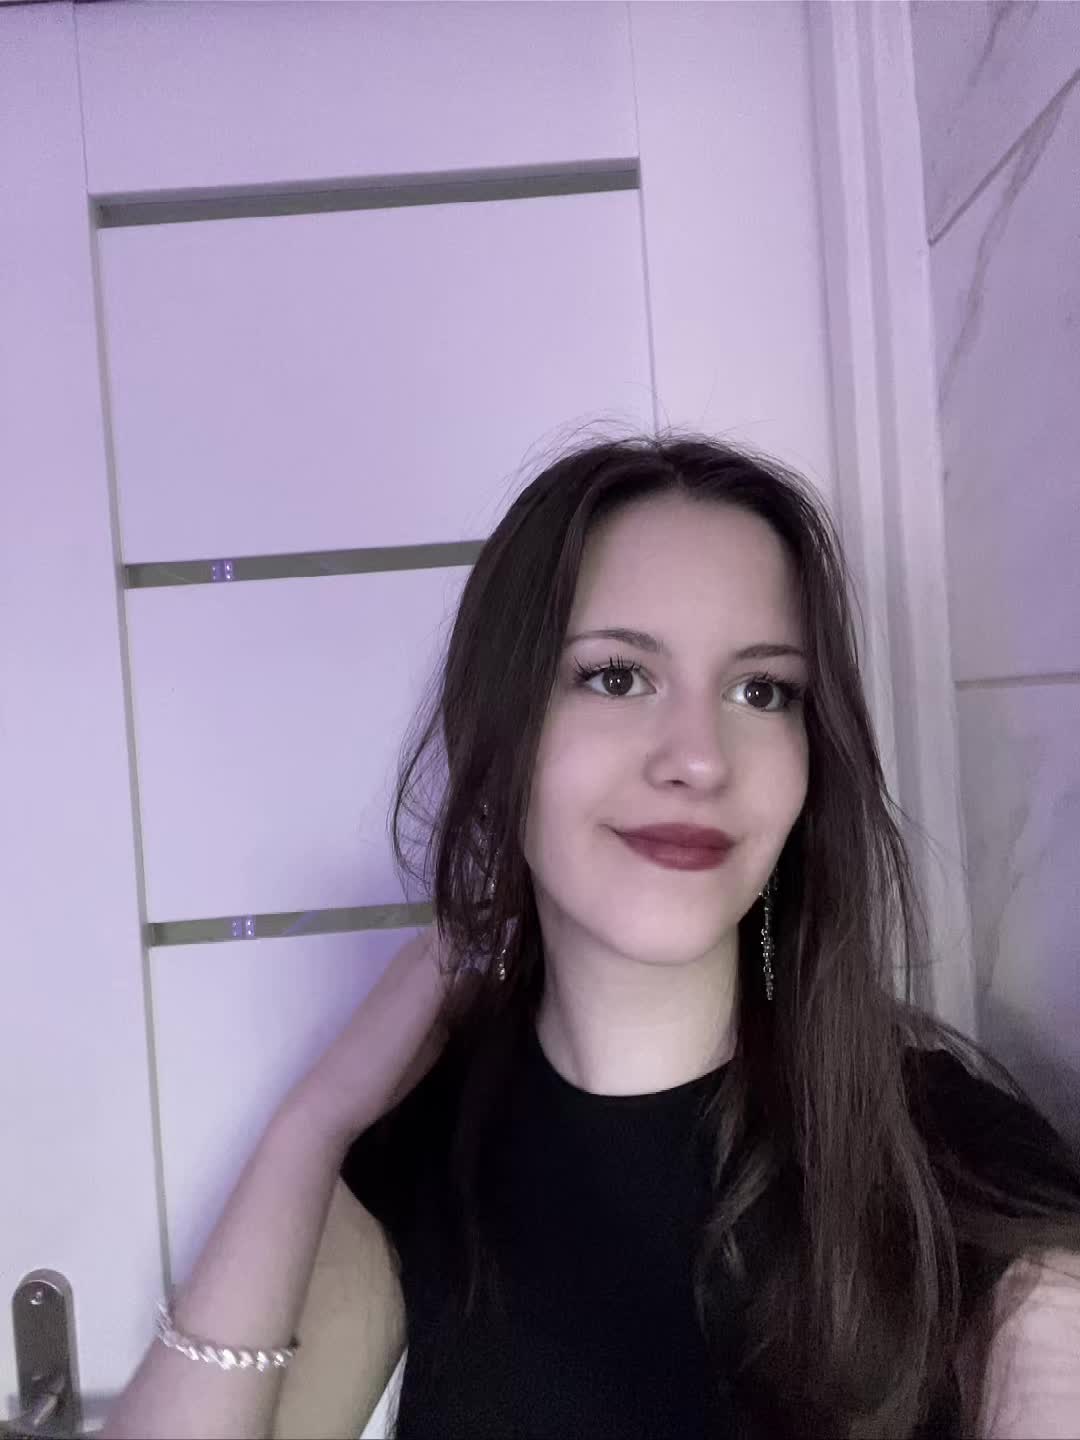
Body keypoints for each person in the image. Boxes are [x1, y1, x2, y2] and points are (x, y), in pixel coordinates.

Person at [102, 431, 1080, 1440]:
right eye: (616, 676)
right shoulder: (425, 1156)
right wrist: (313, 1121)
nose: (699, 758)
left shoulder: (954, 1165)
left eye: (762, 691)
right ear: (504, 727)